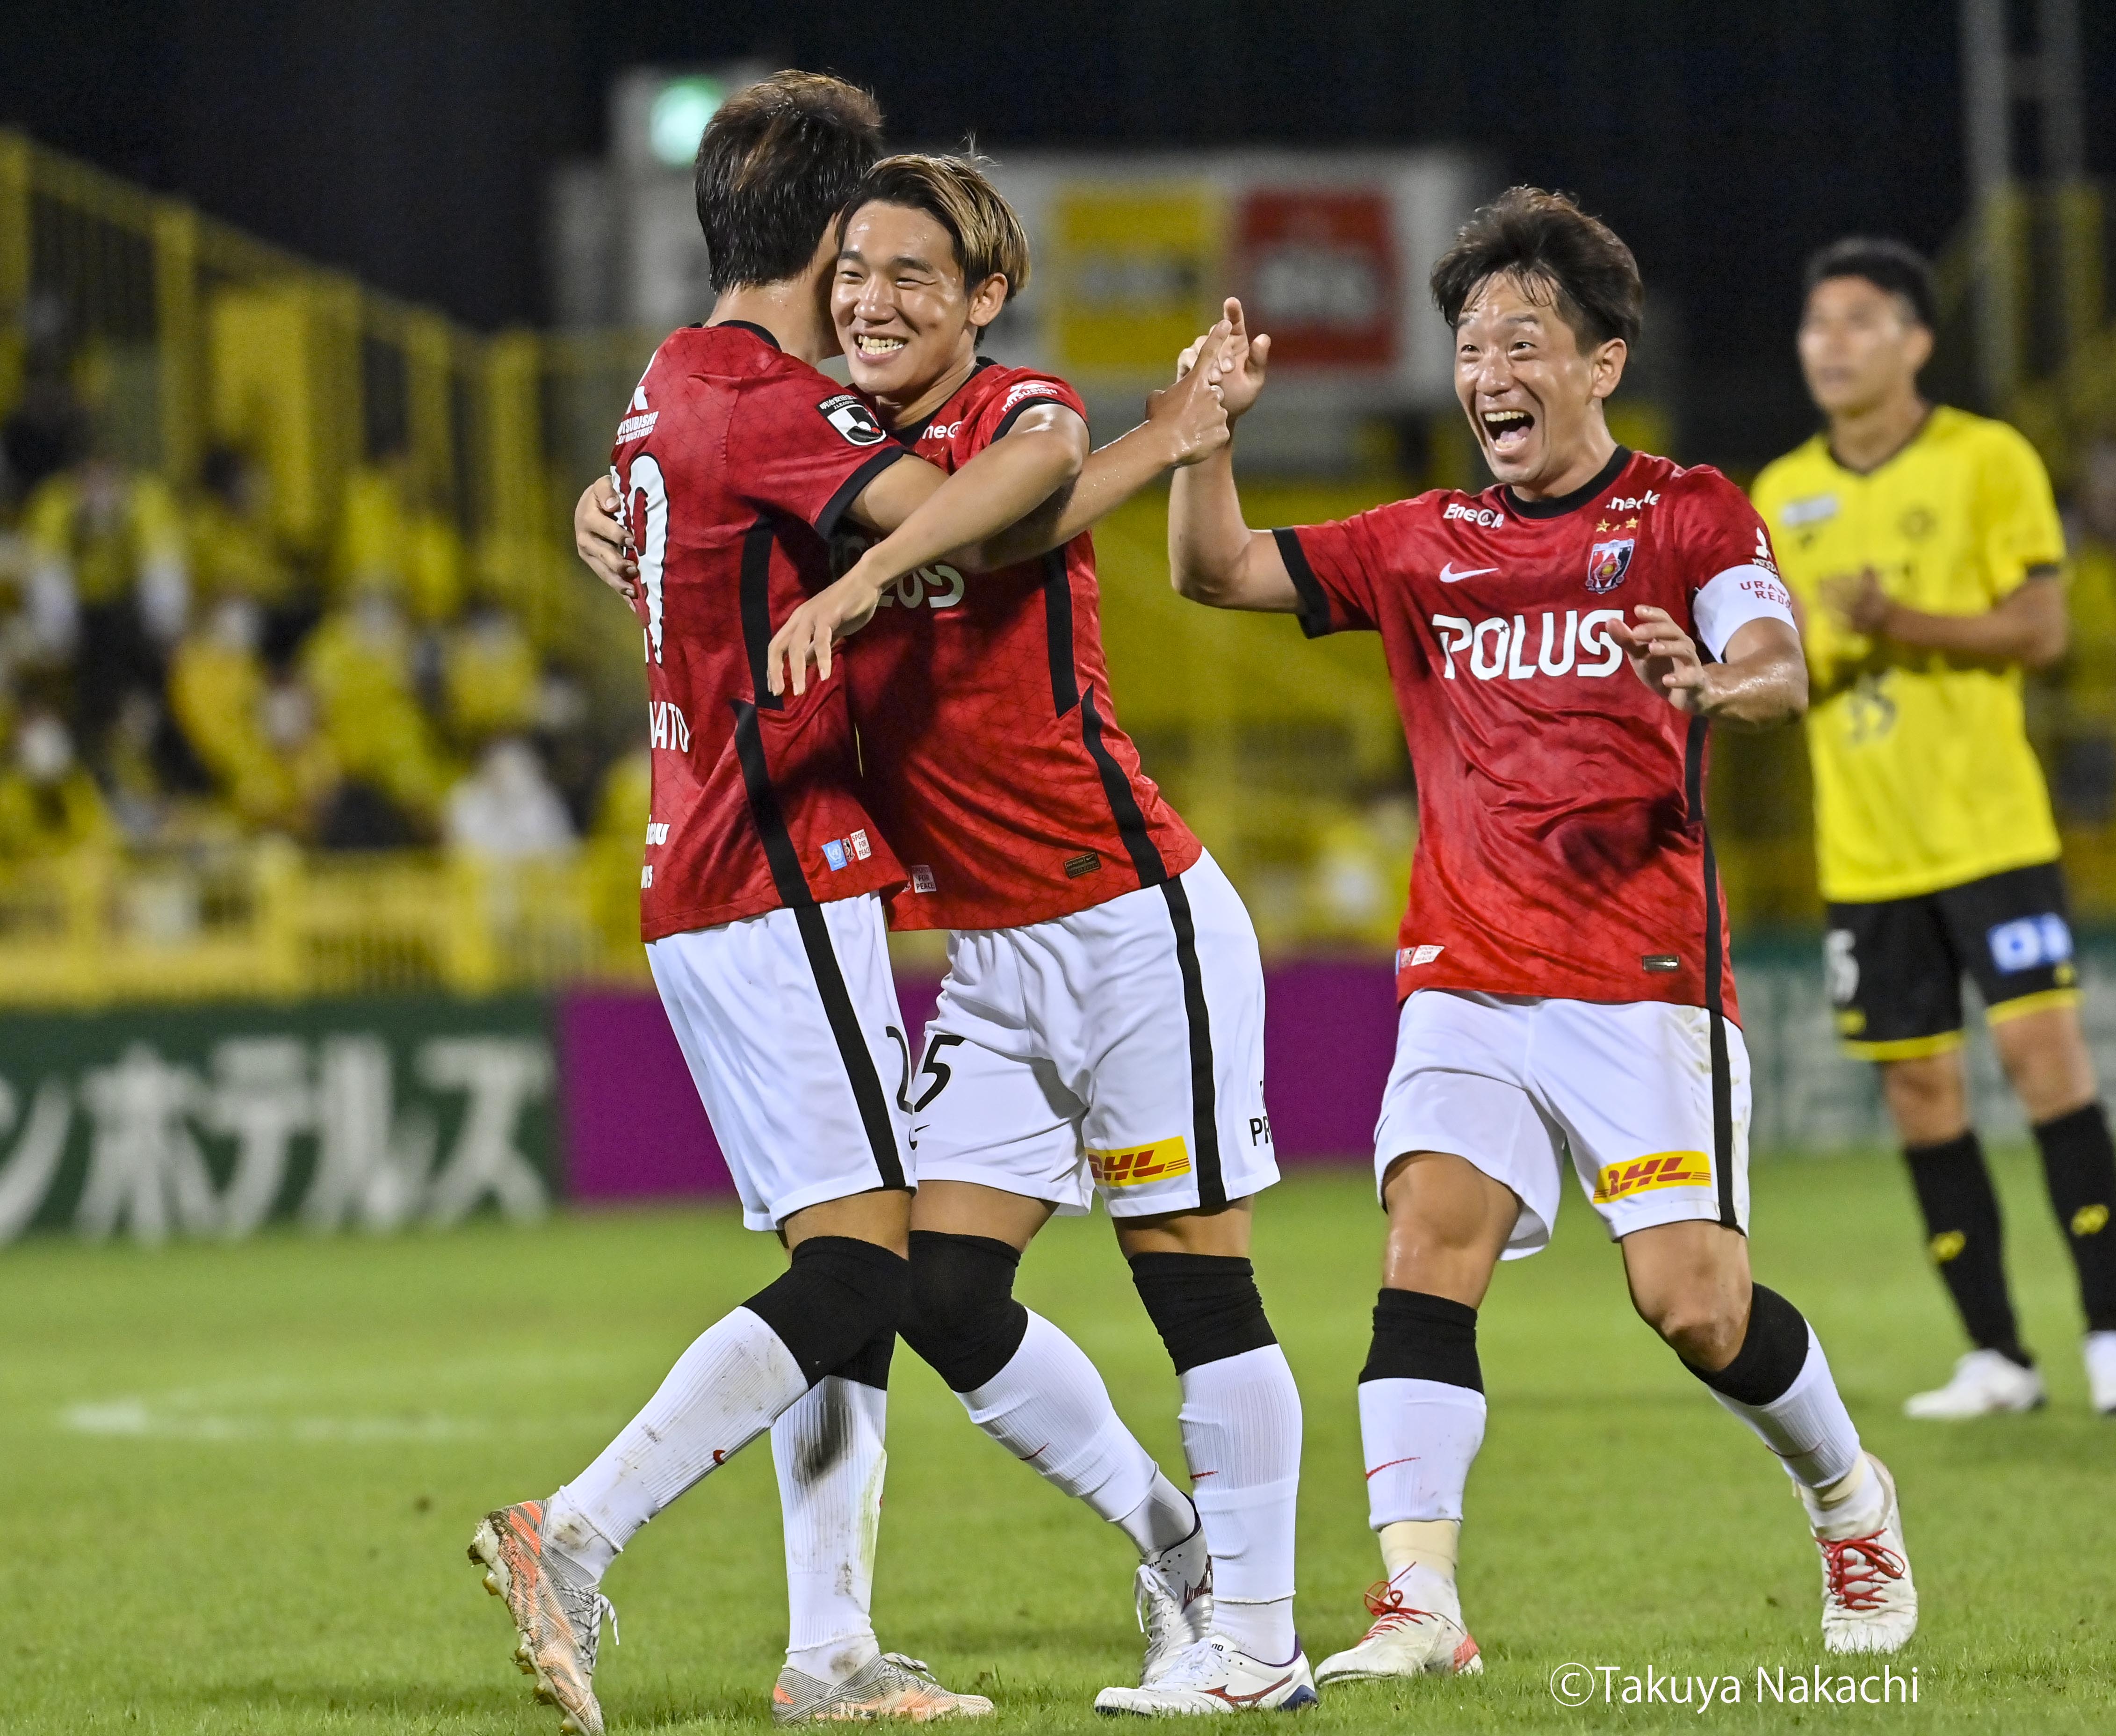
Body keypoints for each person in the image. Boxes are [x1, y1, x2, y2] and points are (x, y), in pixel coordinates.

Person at [581, 154, 1314, 1717]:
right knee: (932, 1294)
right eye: (851, 271)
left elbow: (1021, 502)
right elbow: (717, 493)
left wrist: (868, 578)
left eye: (914, 276)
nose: (870, 301)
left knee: (1192, 1276)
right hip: (987, 959)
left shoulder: (1016, 412)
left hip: (1125, 916)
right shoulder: (831, 448)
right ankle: (1176, 1546)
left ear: (985, 300)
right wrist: (631, 508)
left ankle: (1257, 1644)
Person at [1162, 187, 1919, 1680]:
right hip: (1466, 968)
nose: (1487, 373)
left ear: (1601, 364)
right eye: (1468, 345)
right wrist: (1205, 445)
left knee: (1693, 1307)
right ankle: (1419, 1606)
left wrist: (1716, 679)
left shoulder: (1685, 511)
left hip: (1642, 981)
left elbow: (1777, 655)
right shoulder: (1420, 542)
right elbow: (1214, 571)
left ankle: (1849, 1494)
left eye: (1522, 341)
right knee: (1427, 1243)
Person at [470, 73, 1005, 1734]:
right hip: (777, 864)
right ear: (838, 234)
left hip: (705, 864)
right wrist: (1051, 434)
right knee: (864, 1273)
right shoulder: (766, 398)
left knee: (839, 1262)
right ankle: (579, 1526)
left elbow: (681, 528)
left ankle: (832, 1650)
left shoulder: (665, 381)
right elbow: (972, 530)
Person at [1750, 239, 2116, 1420]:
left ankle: (2113, 1335)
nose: (1833, 342)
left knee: (2046, 1066)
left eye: (1861, 320)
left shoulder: (1988, 458)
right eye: (1818, 323)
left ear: (1918, 340)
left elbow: (2040, 631)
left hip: (1993, 835)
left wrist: (1895, 617)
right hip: (1867, 855)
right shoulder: (1780, 493)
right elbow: (1791, 675)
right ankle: (1998, 1356)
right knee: (1921, 1092)